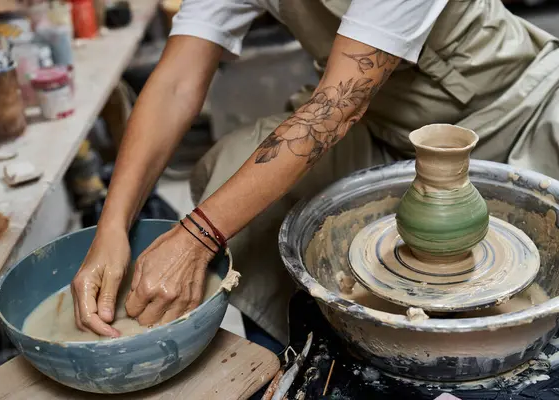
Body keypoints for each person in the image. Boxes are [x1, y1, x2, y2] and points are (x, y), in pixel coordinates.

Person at [71, 0, 559, 345]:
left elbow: (334, 108)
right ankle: (293, 355)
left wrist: (195, 238)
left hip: (512, 106)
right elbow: (177, 83)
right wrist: (110, 229)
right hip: (378, 122)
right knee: (229, 176)